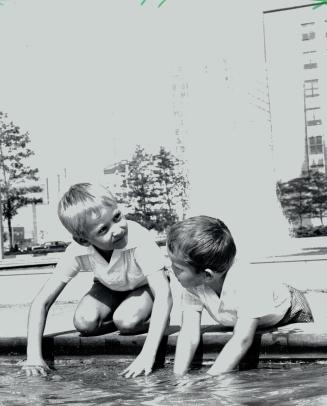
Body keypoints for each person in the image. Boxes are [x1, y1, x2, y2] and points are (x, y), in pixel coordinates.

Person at [22, 183, 172, 378]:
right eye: (103, 230)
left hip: (145, 286)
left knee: (127, 321)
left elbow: (163, 292)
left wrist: (147, 355)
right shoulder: (77, 251)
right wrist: (33, 356)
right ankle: (121, 316)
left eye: (117, 217)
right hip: (109, 287)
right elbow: (42, 302)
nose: (117, 230)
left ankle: (158, 318)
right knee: (84, 323)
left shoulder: (139, 238)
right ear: (83, 240)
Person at [166, 215, 313, 376]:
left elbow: (242, 340)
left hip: (292, 310)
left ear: (207, 275)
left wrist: (210, 378)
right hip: (240, 317)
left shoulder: (247, 282)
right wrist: (179, 377)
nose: (171, 269)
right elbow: (188, 333)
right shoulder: (192, 283)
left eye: (177, 268)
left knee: (305, 359)